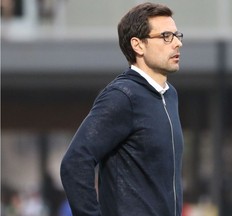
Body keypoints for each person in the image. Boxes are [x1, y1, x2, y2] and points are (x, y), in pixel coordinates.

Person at [60, 2, 184, 216]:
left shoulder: (169, 94)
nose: (177, 44)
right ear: (138, 45)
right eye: (165, 36)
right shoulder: (123, 96)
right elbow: (75, 162)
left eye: (177, 35)